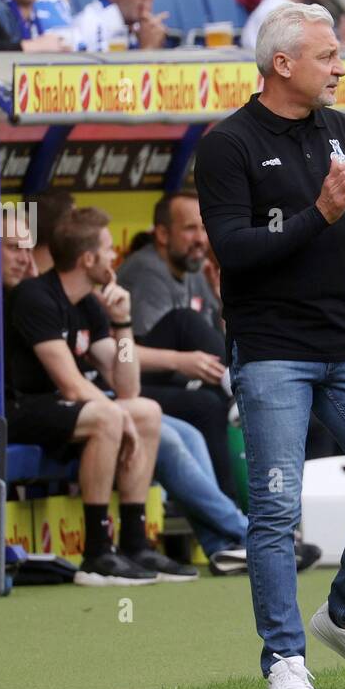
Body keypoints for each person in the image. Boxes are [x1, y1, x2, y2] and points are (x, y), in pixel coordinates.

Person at [195, 3, 345, 689]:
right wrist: (320, 213)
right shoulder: (227, 144)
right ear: (283, 64)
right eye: (328, 56)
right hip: (271, 349)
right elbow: (235, 250)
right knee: (274, 507)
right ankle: (284, 657)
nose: (341, 66)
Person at [4, 207, 182, 585]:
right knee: (111, 416)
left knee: (146, 411)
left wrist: (123, 324)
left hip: (68, 410)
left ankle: (135, 543)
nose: (114, 256)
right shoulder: (34, 296)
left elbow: (128, 387)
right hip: (23, 409)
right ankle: (98, 552)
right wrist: (119, 418)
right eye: (106, 248)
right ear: (87, 259)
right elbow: (70, 385)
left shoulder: (88, 303)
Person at [117, 191, 239, 504]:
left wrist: (224, 302)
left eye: (203, 228)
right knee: (185, 321)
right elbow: (126, 351)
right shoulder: (145, 270)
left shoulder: (196, 270)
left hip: (174, 384)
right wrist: (179, 361)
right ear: (161, 233)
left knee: (212, 402)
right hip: (128, 384)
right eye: (189, 229)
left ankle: (244, 514)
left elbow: (217, 339)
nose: (200, 238)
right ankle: (242, 390)